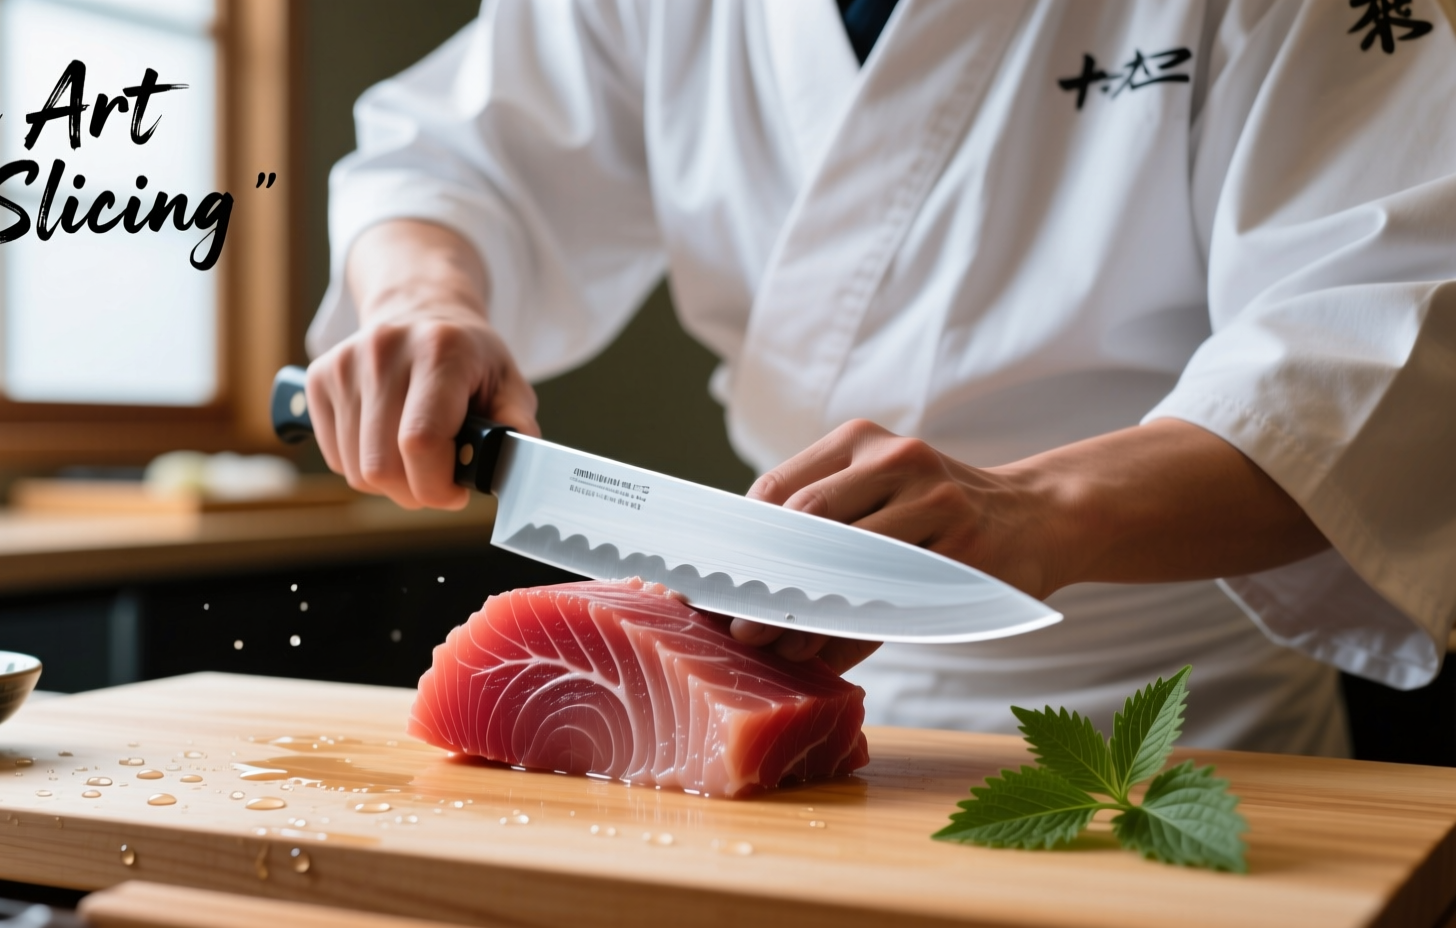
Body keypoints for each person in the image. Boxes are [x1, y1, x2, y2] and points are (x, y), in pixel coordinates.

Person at [304, 0, 1456, 756]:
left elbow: (1374, 335)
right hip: (774, 693)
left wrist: (1047, 507)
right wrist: (420, 302)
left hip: (1177, 733)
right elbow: (450, 158)